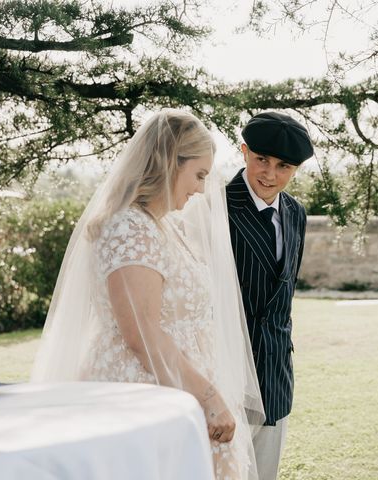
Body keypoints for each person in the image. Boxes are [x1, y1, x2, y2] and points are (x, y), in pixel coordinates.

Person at [32, 109, 264, 479]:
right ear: (170, 163)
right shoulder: (129, 228)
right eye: (199, 175)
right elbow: (141, 332)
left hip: (176, 386)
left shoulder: (162, 226)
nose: (202, 188)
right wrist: (208, 397)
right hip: (142, 392)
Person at [226, 111, 313, 480]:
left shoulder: (296, 213)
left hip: (275, 375)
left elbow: (285, 293)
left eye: (284, 166)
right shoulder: (215, 206)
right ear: (244, 151)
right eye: (261, 159)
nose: (270, 174)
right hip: (226, 372)